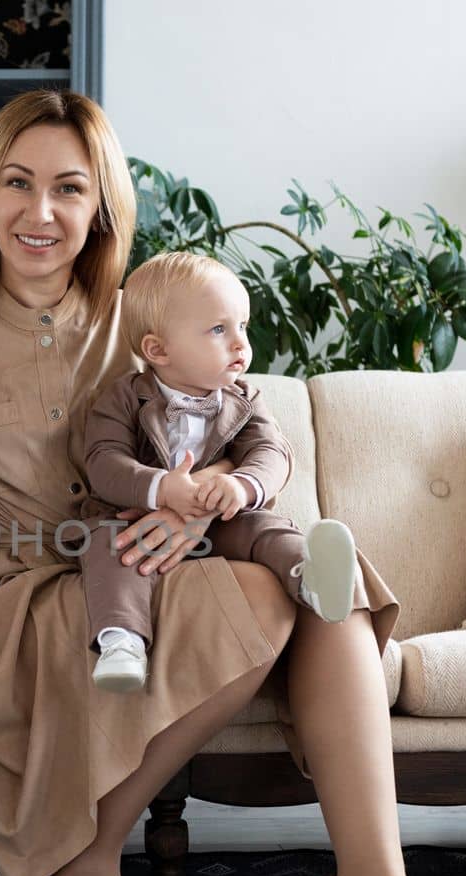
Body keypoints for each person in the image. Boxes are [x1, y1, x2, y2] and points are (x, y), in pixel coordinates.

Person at [0, 88, 466, 876]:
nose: (41, 213)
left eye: (70, 189)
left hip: (173, 562)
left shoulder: (149, 315)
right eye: (18, 185)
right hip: (28, 589)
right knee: (274, 595)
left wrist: (195, 513)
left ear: (102, 206)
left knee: (326, 587)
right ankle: (94, 846)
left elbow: (248, 437)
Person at [78, 251, 362, 692]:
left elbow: (273, 452)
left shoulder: (244, 398)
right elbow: (103, 463)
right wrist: (159, 487)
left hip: (222, 524)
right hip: (139, 522)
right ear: (157, 350)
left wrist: (240, 485)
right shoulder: (122, 398)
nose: (240, 344)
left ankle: (313, 580)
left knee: (267, 528)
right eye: (218, 329)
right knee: (108, 547)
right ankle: (122, 643)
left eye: (242, 327)